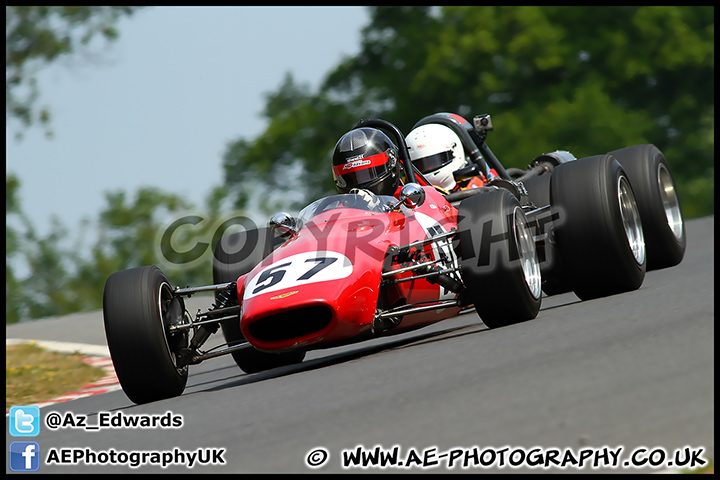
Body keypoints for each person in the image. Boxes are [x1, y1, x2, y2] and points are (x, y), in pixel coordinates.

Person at [405, 122, 497, 193]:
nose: (429, 168)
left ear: (455, 152)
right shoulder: (409, 200)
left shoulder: (482, 184)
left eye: (434, 162)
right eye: (420, 166)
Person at [331, 127, 402, 197]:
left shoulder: (407, 201)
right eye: (354, 178)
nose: (361, 180)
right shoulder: (343, 207)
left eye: (369, 173)